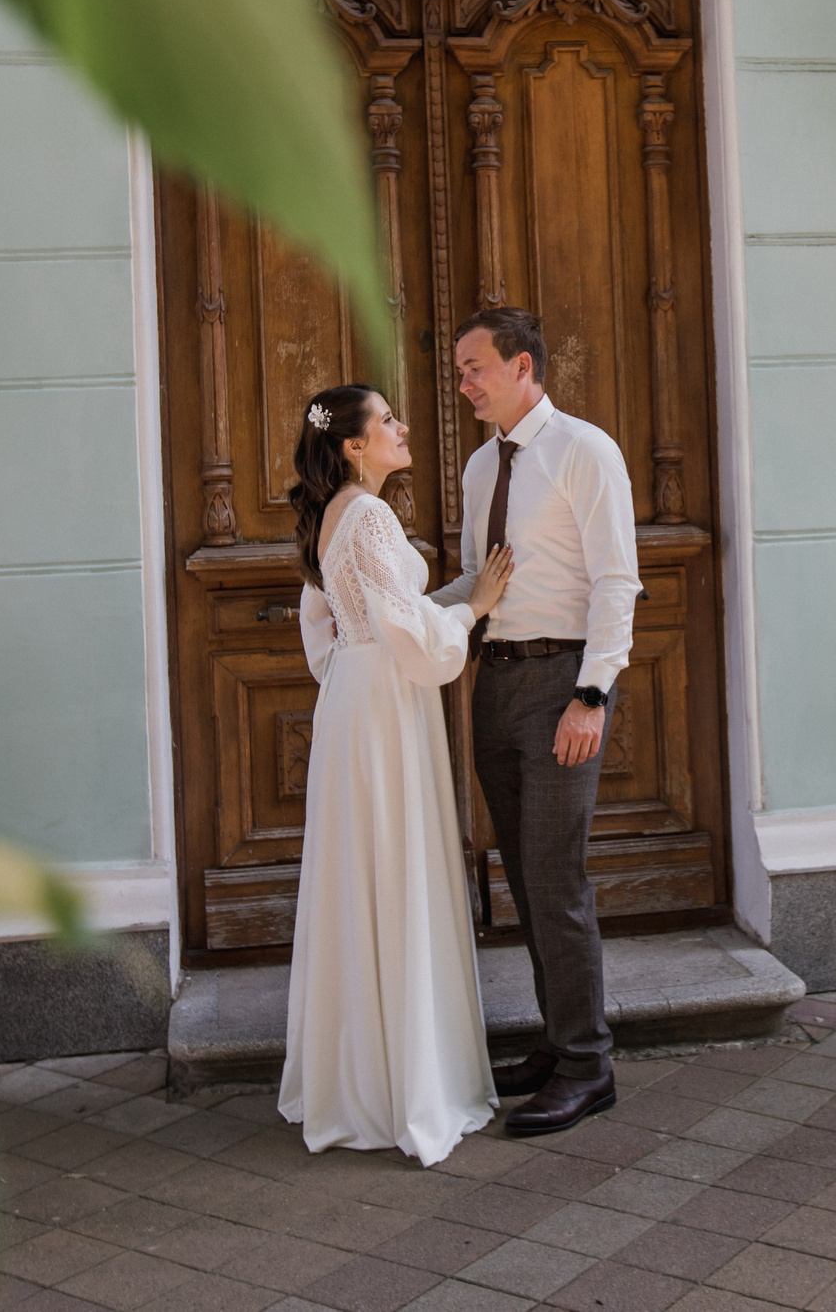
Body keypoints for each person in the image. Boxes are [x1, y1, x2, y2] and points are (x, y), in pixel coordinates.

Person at [279, 384, 514, 1166]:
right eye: (387, 420)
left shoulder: (333, 516)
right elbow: (414, 641)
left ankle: (361, 1079)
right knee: (395, 870)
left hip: (356, 697)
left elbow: (326, 623)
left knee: (362, 876)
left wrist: (354, 669)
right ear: (352, 444)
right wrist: (474, 608)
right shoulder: (370, 515)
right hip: (385, 702)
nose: (402, 428)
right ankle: (402, 1088)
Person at [431, 306, 639, 1136]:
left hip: (563, 681)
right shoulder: (483, 467)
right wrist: (393, 609)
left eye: (475, 366)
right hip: (498, 682)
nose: (464, 383)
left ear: (524, 366)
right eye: (458, 370)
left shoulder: (586, 450)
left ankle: (589, 1065)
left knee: (558, 882)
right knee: (523, 877)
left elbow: (617, 581)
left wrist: (592, 694)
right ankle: (558, 1044)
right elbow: (480, 580)